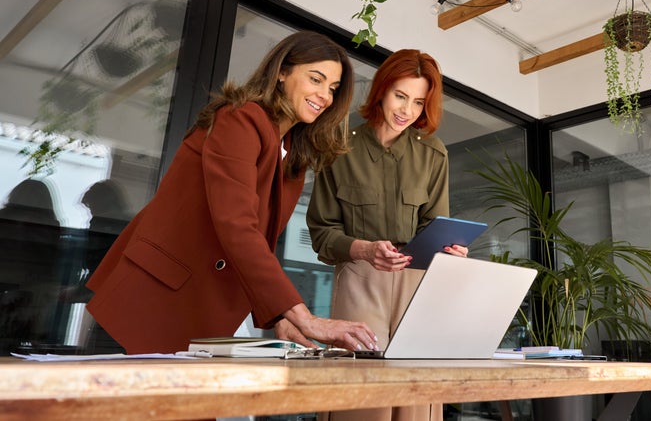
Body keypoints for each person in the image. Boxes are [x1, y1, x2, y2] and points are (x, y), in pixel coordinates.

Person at [86, 31, 378, 355]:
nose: (324, 95)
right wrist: (304, 317)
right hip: (152, 298)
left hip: (204, 306)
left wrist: (280, 315)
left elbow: (255, 245)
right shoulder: (239, 118)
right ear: (282, 72)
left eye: (333, 89)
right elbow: (236, 224)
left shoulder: (292, 154)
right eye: (316, 79)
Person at [308, 49, 465, 421]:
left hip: (417, 285)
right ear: (381, 90)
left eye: (418, 101)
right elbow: (320, 233)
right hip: (360, 281)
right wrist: (361, 249)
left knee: (417, 399)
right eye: (400, 95)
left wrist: (448, 249)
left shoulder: (434, 154)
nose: (406, 110)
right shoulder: (338, 144)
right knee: (362, 401)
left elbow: (434, 224)